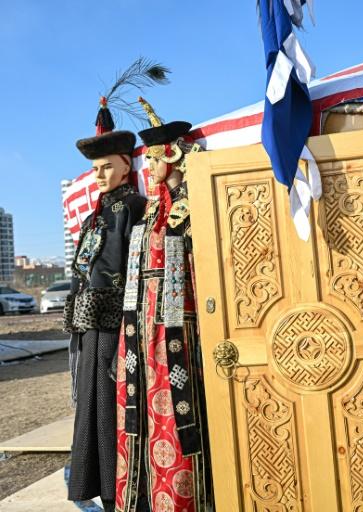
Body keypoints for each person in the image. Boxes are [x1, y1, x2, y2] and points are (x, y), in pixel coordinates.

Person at [115, 97, 211, 512]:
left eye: (154, 159)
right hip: (141, 327)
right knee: (141, 412)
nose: (149, 168)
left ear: (171, 155)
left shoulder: (193, 206)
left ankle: (184, 498)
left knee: (178, 411)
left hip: (178, 327)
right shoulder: (152, 210)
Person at [65, 96, 147, 512]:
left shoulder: (135, 208)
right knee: (89, 405)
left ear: (126, 165)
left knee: (112, 404)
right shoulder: (94, 215)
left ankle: (120, 492)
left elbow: (136, 268)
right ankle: (90, 485)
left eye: (106, 167)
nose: (99, 175)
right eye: (95, 169)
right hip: (88, 324)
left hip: (118, 323)